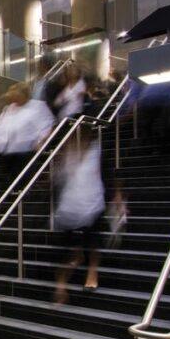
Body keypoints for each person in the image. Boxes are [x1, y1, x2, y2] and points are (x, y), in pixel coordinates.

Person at [53, 126, 105, 304]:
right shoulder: (68, 153)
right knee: (69, 246)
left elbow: (107, 174)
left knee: (92, 240)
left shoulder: (96, 151)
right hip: (71, 203)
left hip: (93, 200)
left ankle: (92, 271)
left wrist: (117, 197)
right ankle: (62, 284)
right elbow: (59, 179)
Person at [0, 82, 55, 184]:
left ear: (24, 95)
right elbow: (0, 127)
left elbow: (48, 125)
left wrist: (41, 140)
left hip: (26, 150)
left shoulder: (38, 106)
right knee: (10, 179)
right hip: (7, 151)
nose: (13, 100)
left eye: (16, 96)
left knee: (24, 179)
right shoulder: (9, 109)